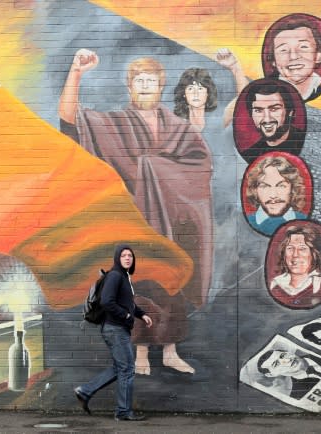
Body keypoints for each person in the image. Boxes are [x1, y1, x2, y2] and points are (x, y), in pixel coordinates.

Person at [59, 49, 212, 375]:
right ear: (130, 87)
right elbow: (71, 121)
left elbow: (199, 163)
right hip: (136, 223)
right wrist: (76, 72)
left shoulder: (175, 126)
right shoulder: (115, 124)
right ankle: (141, 353)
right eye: (138, 81)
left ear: (161, 87)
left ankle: (170, 351)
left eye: (151, 81)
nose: (144, 86)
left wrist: (158, 170)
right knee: (141, 286)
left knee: (175, 282)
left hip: (174, 224)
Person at [74, 245, 154, 421]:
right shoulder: (115, 276)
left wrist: (142, 314)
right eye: (124, 255)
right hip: (115, 329)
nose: (127, 258)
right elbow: (107, 301)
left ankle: (85, 391)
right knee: (127, 369)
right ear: (117, 258)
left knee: (121, 368)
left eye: (130, 256)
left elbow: (128, 304)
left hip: (117, 329)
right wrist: (125, 315)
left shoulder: (124, 277)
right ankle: (123, 411)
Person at [173, 48, 248, 131]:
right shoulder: (177, 125)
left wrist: (235, 67)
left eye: (200, 89)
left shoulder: (217, 121)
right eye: (191, 89)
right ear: (184, 93)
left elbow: (243, 98)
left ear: (208, 93)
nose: (196, 93)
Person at [269, 224, 321, 308]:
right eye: (290, 248)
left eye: (302, 249)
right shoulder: (275, 284)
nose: (295, 255)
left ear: (314, 253)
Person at [265, 15, 321, 101]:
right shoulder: (264, 93)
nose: (293, 56)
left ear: (318, 56)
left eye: (303, 47)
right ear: (274, 61)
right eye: (283, 50)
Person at [240, 81, 306, 163]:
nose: (267, 119)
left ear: (290, 112)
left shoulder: (306, 143)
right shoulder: (251, 155)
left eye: (274, 109)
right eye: (258, 110)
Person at [244, 155, 308, 235]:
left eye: (281, 186)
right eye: (265, 186)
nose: (273, 195)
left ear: (293, 189)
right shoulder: (245, 222)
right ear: (255, 191)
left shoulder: (306, 222)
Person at [257, 349, 321, 399]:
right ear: (271, 375)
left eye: (283, 355)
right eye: (276, 364)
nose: (287, 360)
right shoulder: (299, 395)